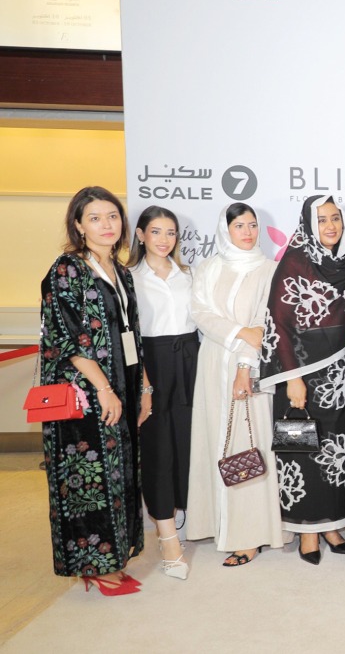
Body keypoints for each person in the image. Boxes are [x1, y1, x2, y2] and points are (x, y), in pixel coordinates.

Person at [38, 187, 145, 594]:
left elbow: (132, 333)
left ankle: (112, 556)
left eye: (113, 216)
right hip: (84, 393)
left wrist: (143, 387)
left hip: (122, 383)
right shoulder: (67, 269)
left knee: (118, 473)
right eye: (95, 218)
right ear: (79, 225)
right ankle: (93, 565)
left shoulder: (121, 271)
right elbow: (65, 338)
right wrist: (103, 388)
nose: (106, 225)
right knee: (88, 478)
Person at [259, 196, 345, 565]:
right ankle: (307, 533)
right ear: (308, 224)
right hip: (300, 376)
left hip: (340, 376)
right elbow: (279, 323)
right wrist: (293, 378)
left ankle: (332, 526)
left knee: (337, 453)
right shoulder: (294, 262)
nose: (330, 226)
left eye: (335, 218)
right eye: (322, 220)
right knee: (301, 453)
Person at [187, 203, 283, 566]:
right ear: (225, 229)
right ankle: (217, 524)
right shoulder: (209, 267)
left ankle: (249, 535)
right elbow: (200, 312)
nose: (247, 232)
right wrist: (239, 331)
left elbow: (263, 324)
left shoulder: (269, 269)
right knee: (217, 441)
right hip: (212, 363)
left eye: (253, 225)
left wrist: (244, 366)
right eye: (239, 225)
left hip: (250, 365)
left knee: (249, 445)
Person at [129, 205, 198, 579]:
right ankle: (167, 537)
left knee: (188, 442)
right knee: (157, 449)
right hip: (151, 362)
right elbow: (127, 336)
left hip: (190, 359)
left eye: (171, 232)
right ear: (140, 235)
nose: (164, 239)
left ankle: (185, 515)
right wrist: (144, 383)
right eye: (156, 231)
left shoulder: (188, 275)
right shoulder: (129, 278)